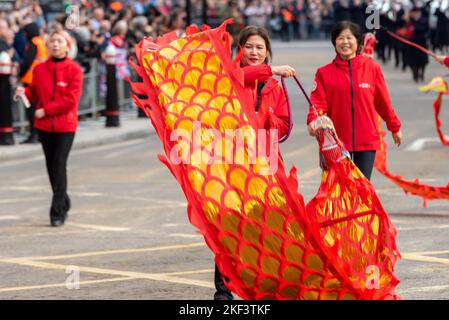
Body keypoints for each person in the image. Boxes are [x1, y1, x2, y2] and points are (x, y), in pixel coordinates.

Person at [213, 25, 295, 300]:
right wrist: (271, 70)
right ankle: (224, 290)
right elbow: (240, 76)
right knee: (229, 225)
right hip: (234, 158)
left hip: (267, 158)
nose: (254, 52)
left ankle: (263, 284)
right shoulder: (232, 74)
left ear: (267, 51)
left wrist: (267, 121)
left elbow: (284, 126)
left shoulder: (275, 86)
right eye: (249, 47)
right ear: (240, 49)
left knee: (265, 224)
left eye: (260, 48)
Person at [307, 21, 403, 181]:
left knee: (362, 188)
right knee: (340, 190)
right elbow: (317, 102)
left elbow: (383, 102)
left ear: (358, 42)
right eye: (340, 38)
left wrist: (395, 127)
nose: (345, 42)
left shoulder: (372, 68)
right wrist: (313, 120)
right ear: (334, 42)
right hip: (336, 142)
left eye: (349, 38)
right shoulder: (324, 73)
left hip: (366, 139)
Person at [15, 29, 83, 227]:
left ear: (67, 46)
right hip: (44, 127)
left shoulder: (74, 70)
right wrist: (23, 91)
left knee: (59, 165)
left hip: (65, 125)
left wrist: (46, 111)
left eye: (59, 41)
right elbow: (34, 91)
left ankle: (57, 212)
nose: (55, 45)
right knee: (50, 167)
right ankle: (64, 200)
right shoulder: (39, 69)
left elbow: (70, 100)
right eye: (52, 42)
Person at [19, 22, 48, 143]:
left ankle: (34, 134)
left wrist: (20, 73)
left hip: (31, 80)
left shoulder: (33, 43)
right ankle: (38, 133)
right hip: (39, 79)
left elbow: (27, 62)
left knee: (31, 108)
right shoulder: (40, 42)